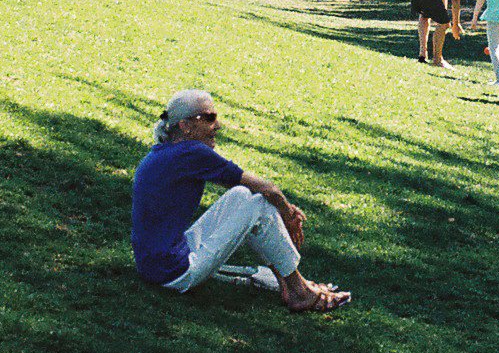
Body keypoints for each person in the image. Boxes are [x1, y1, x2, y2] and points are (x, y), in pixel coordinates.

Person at [131, 90, 349, 314]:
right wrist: (287, 215)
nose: (217, 126)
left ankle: (290, 284)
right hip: (172, 271)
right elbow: (268, 189)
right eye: (209, 118)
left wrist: (282, 208)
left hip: (154, 264)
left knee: (242, 195)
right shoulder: (191, 152)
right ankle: (299, 291)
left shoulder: (167, 151)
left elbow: (251, 188)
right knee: (257, 204)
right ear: (185, 126)